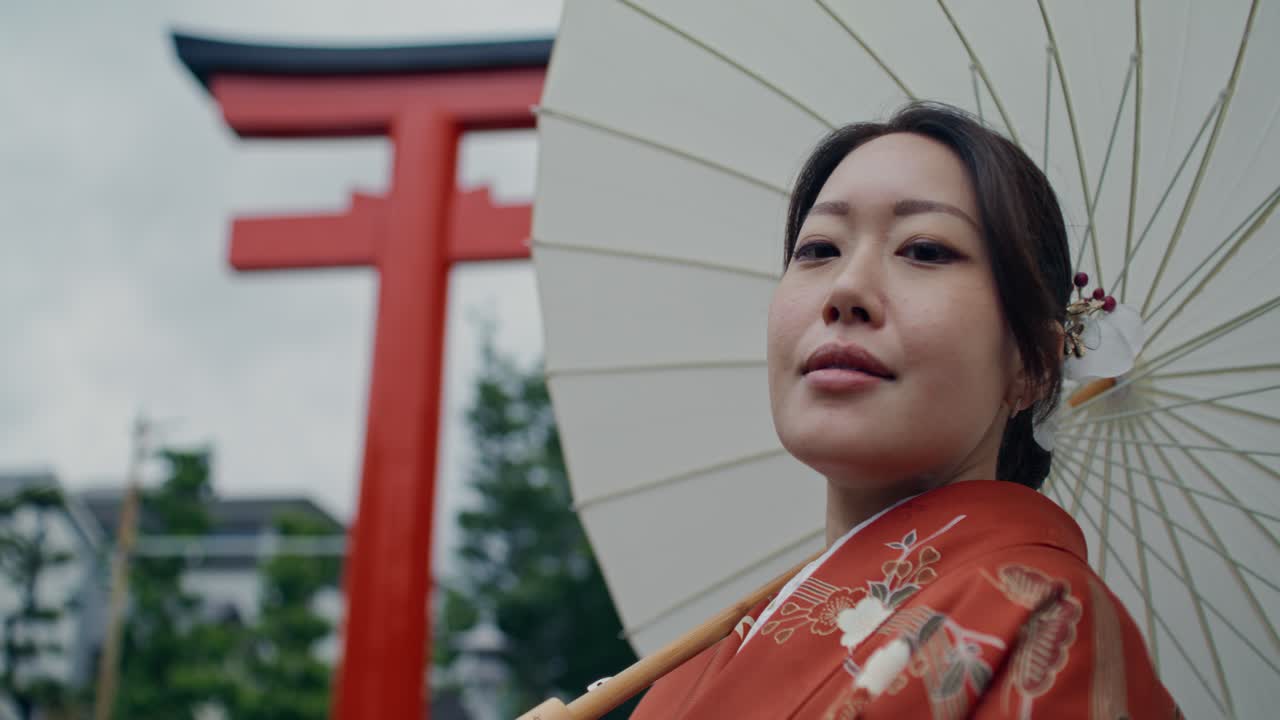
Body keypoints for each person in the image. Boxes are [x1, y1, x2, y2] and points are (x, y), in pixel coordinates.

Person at [629, 102, 1179, 719]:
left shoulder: (1046, 623)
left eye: (924, 250)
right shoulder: (684, 679)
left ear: (1033, 364)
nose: (845, 291)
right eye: (817, 249)